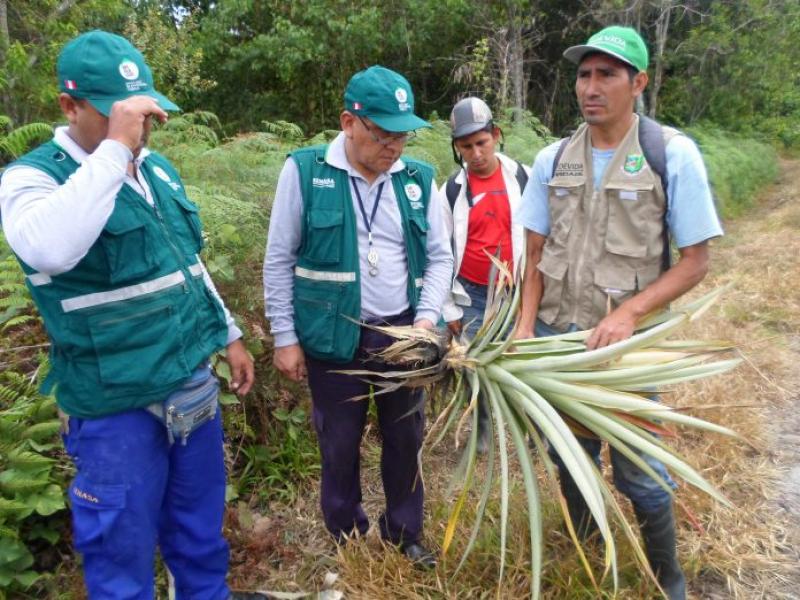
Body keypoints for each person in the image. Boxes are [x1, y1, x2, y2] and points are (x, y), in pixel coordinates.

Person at [0, 31, 255, 599]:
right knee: (121, 554)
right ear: (70, 106)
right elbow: (49, 249)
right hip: (116, 409)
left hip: (190, 387)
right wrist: (113, 150)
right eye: (124, 115)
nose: (142, 130)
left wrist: (230, 333)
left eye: (145, 115)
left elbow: (186, 263)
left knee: (198, 536)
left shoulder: (156, 169)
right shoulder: (31, 178)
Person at [516, 26, 723, 600]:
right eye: (584, 74)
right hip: (557, 340)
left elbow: (696, 261)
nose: (591, 86)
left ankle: (668, 577)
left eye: (607, 74)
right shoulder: (551, 157)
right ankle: (591, 555)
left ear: (639, 82)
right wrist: (526, 327)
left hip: (625, 351)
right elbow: (534, 253)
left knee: (639, 469)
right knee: (569, 453)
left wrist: (630, 313)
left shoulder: (669, 153)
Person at [263, 65, 453, 569]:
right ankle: (346, 531)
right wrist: (285, 335)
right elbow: (280, 257)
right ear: (349, 122)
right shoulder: (305, 172)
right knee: (339, 440)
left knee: (406, 437)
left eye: (402, 134)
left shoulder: (417, 181)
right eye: (382, 133)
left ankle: (405, 532)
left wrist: (427, 318)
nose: (394, 145)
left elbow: (440, 256)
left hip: (403, 334)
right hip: (334, 335)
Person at [440, 96, 529, 452]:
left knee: (521, 363)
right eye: (466, 146)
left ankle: (530, 430)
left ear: (495, 134)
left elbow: (539, 238)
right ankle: (482, 435)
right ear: (457, 148)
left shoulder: (523, 177)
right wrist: (450, 311)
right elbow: (440, 253)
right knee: (474, 368)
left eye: (481, 142)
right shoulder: (450, 191)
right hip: (473, 293)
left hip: (516, 292)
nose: (475, 153)